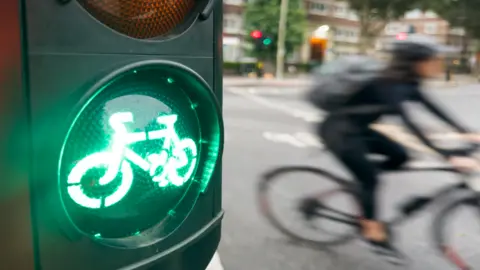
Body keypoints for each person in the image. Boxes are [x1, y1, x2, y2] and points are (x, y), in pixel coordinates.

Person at [318, 35, 480, 261]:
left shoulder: (409, 83)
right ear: (416, 61)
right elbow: (410, 124)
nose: (438, 64)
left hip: (358, 129)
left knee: (400, 156)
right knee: (370, 180)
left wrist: (466, 131)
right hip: (339, 132)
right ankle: (372, 231)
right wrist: (446, 155)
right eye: (434, 60)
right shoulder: (388, 85)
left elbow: (432, 107)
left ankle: (361, 182)